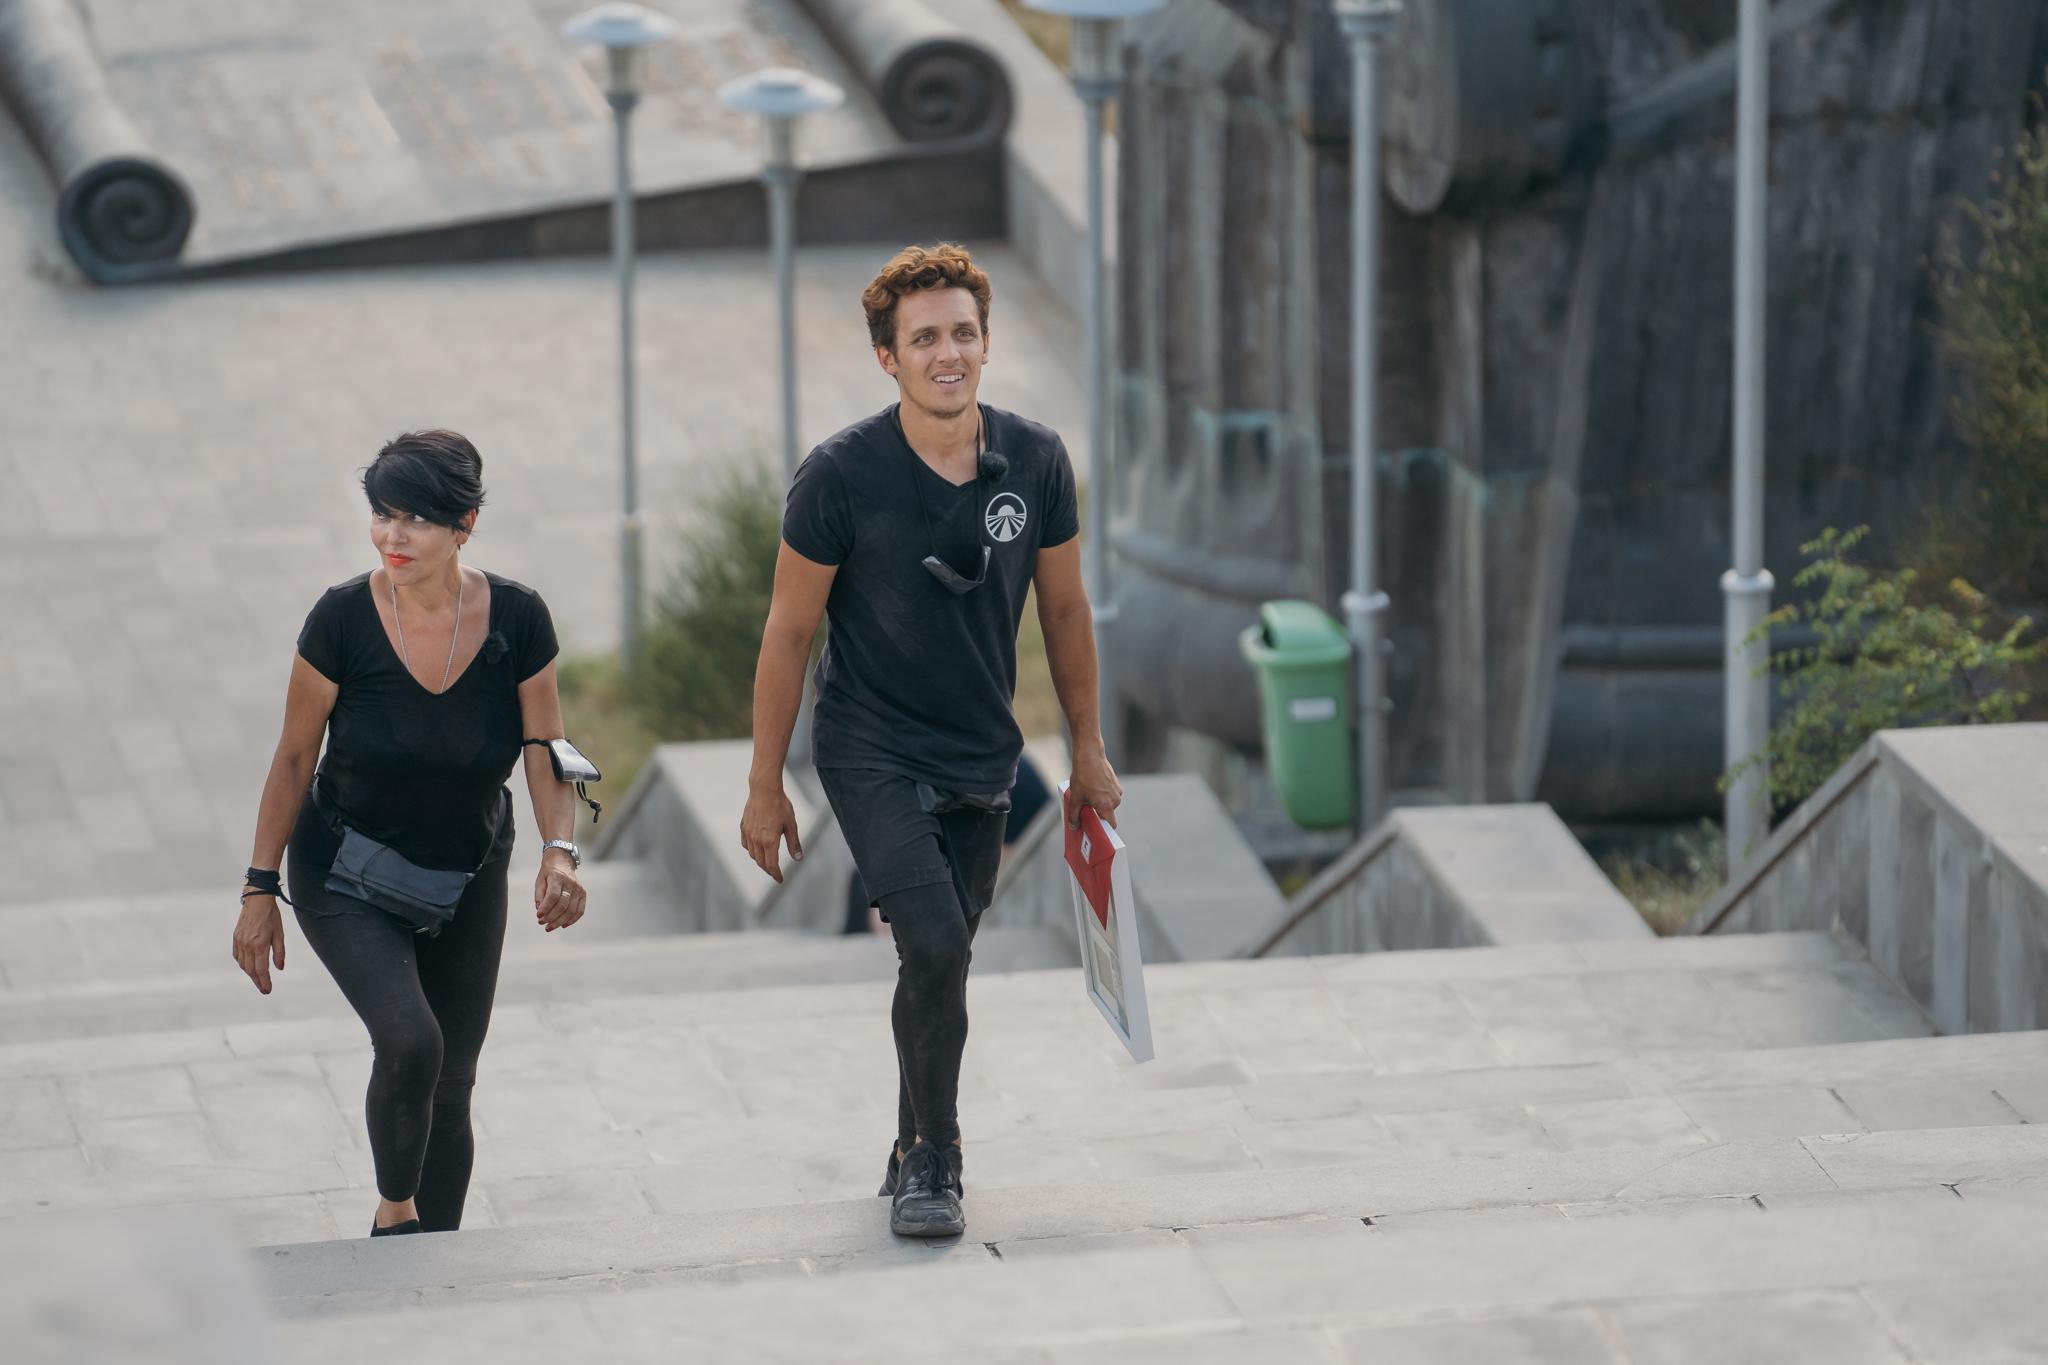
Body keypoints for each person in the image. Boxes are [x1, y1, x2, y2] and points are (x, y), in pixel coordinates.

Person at [741, 243, 1123, 1239]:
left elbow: (1065, 612)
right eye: (924, 339)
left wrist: (1086, 748)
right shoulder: (838, 476)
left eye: (962, 333)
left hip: (980, 749)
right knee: (937, 942)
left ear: (986, 342)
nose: (947, 353)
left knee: (938, 962)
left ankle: (908, 1137)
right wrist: (763, 781)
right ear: (888, 357)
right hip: (867, 744)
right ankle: (935, 1161)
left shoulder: (1035, 460)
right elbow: (787, 632)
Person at [230, 430, 589, 1238]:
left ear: (465, 524)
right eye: (382, 514)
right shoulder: (340, 620)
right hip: (342, 866)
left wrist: (559, 851)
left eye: (417, 519)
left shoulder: (519, 618)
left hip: (465, 867)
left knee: (453, 1083)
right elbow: (294, 758)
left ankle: (437, 1258)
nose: (393, 536)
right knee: (411, 1040)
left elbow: (548, 746)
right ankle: (395, 1216)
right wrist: (259, 887)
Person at [842, 754, 1053, 935]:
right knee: (866, 880)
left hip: (1008, 872)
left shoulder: (995, 773)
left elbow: (1002, 854)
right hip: (980, 856)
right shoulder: (969, 760)